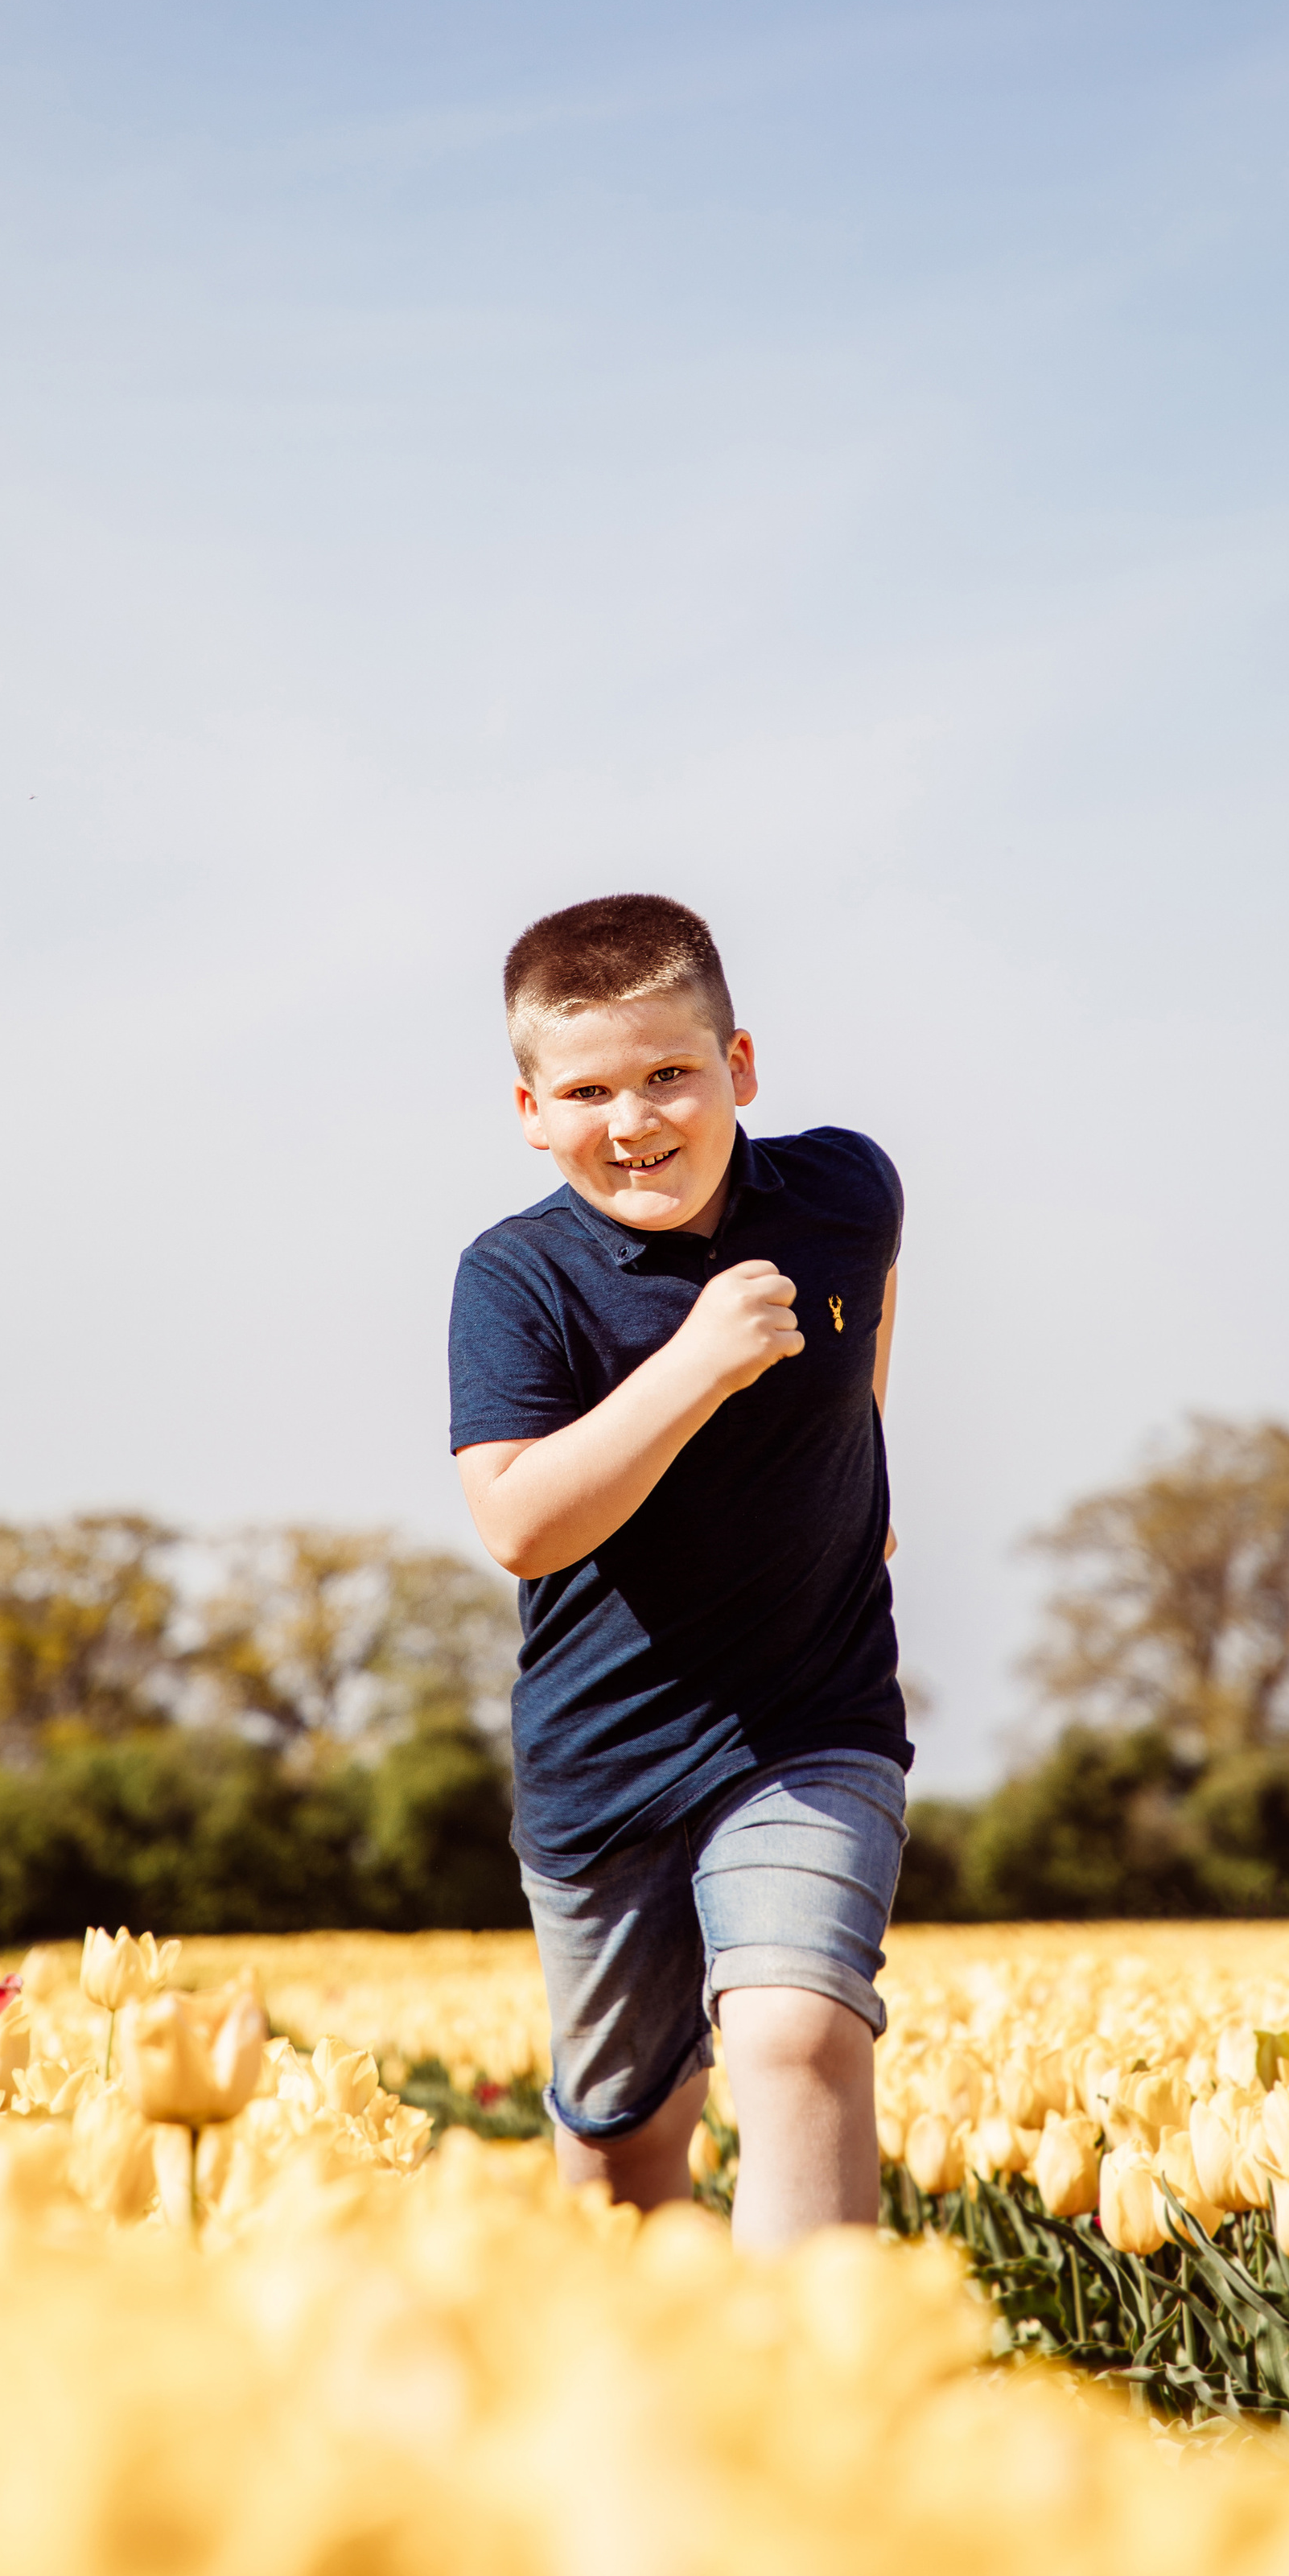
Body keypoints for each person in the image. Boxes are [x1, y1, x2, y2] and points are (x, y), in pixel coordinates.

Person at [448, 891, 908, 2248]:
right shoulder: (517, 1279)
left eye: (669, 1075)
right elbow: (520, 1526)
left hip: (811, 1723)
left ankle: (812, 2373)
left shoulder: (846, 1191)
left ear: (739, 1066)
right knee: (625, 2142)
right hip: (603, 1761)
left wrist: (862, 1460)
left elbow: (868, 1301)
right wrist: (698, 1363)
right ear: (532, 1113)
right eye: (587, 1091)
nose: (635, 1121)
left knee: (797, 2035)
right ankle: (645, 2363)